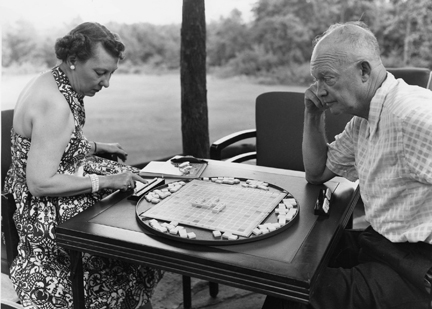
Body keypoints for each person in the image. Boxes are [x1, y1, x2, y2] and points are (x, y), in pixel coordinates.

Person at [262, 21, 432, 309]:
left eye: (326, 78)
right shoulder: (363, 120)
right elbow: (317, 172)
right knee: (290, 271)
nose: (318, 90)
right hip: (380, 242)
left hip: (415, 267)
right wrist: (312, 115)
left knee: (294, 298)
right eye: (315, 79)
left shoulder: (411, 117)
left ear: (364, 71)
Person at [5, 22, 162, 309]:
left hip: (46, 187)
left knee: (140, 182)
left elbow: (51, 145)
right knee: (132, 228)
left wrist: (97, 147)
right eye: (100, 72)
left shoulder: (52, 79)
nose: (106, 83)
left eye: (111, 73)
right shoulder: (55, 105)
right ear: (73, 60)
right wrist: (104, 182)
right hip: (44, 213)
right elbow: (40, 183)